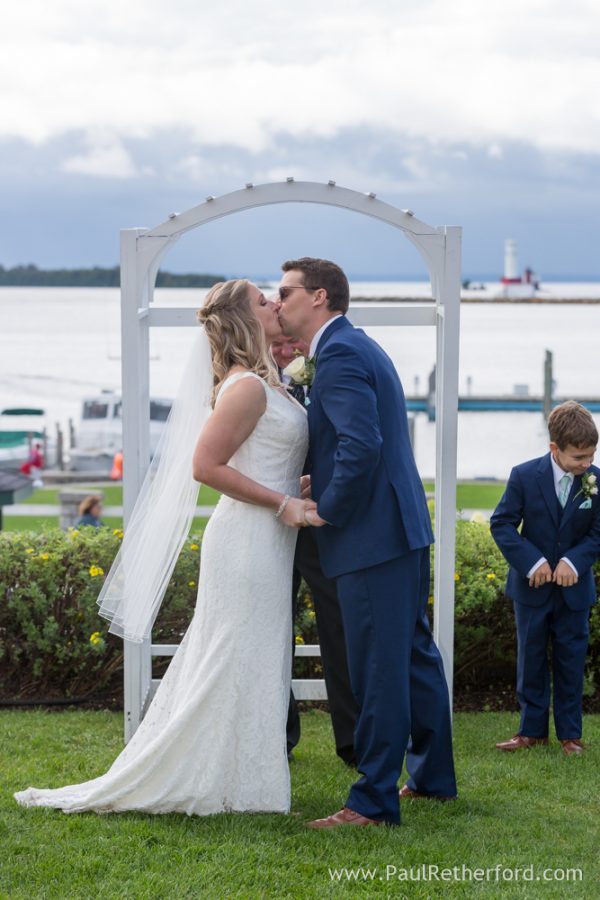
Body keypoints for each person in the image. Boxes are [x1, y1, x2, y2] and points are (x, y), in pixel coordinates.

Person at [14, 279, 315, 816]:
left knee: (253, 657)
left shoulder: (266, 381)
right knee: (232, 656)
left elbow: (262, 459)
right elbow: (205, 467)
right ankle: (215, 777)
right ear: (244, 319)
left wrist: (295, 487)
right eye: (262, 301)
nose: (273, 303)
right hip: (248, 540)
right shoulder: (246, 386)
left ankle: (245, 779)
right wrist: (282, 502)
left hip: (269, 538)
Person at [276, 257, 457, 828]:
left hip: (372, 536)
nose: (277, 302)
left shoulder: (340, 354)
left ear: (320, 296)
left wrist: (327, 509)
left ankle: (373, 800)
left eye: (286, 291)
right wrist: (324, 478)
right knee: (413, 656)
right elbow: (356, 444)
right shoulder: (355, 346)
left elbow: (362, 445)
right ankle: (431, 778)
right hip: (399, 528)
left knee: (379, 665)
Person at [491, 400, 600, 756]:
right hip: (531, 588)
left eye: (591, 455)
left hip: (575, 591)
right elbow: (502, 524)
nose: (587, 463)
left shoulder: (596, 480)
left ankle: (571, 735)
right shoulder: (524, 476)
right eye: (579, 457)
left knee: (571, 660)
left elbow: (597, 533)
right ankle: (531, 731)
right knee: (531, 659)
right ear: (555, 448)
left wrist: (573, 561)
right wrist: (532, 562)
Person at [270, 334, 358, 765]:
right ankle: (276, 735)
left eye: (293, 343)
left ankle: (353, 740)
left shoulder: (328, 372)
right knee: (268, 628)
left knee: (339, 627)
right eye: (278, 343)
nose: (287, 351)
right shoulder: (248, 381)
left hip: (320, 523)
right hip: (267, 523)